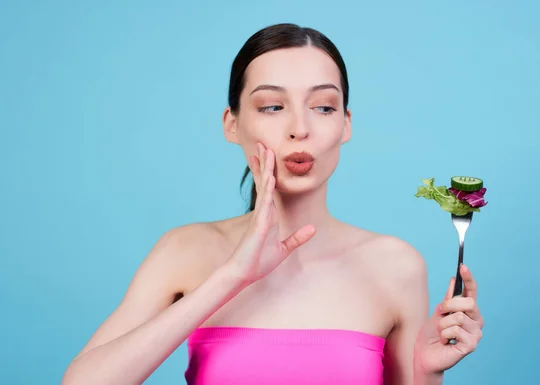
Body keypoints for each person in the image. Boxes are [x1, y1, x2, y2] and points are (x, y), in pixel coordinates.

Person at [61, 23, 484, 385]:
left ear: (345, 124)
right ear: (232, 123)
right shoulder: (184, 250)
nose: (300, 129)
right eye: (272, 106)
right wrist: (232, 276)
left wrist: (427, 372)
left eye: (322, 107)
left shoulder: (395, 264)